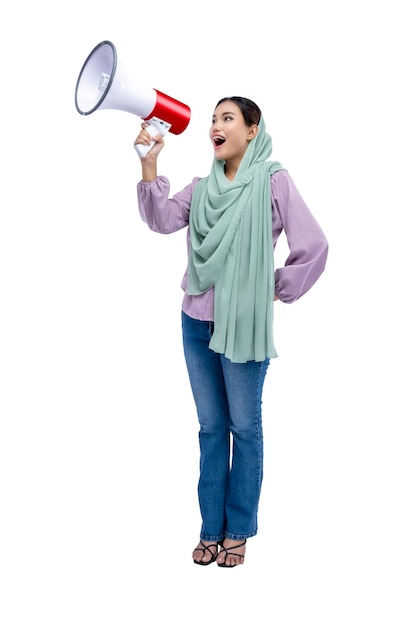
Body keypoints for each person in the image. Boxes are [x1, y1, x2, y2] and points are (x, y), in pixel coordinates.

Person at [134, 96, 328, 568]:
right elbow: (161, 219)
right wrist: (150, 162)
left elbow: (314, 245)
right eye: (213, 120)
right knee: (210, 429)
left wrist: (273, 289)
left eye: (227, 119)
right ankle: (209, 528)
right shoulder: (201, 188)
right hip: (195, 323)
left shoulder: (273, 180)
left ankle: (238, 529)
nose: (215, 127)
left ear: (251, 129)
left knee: (245, 428)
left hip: (243, 326)